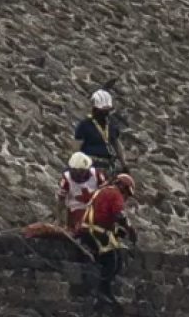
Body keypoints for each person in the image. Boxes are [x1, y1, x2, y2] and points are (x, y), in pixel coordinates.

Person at [77, 173, 136, 305]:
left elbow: (104, 215)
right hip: (94, 231)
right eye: (126, 193)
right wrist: (130, 229)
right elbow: (119, 215)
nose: (125, 197)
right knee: (113, 260)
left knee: (114, 258)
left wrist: (117, 231)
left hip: (88, 229)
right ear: (122, 187)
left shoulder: (103, 191)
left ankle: (105, 289)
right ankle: (101, 290)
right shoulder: (115, 194)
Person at [74, 89, 126, 170]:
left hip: (107, 166)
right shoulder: (85, 125)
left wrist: (124, 165)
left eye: (107, 111)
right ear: (94, 109)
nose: (105, 114)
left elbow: (117, 145)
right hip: (89, 166)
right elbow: (77, 146)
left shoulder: (111, 125)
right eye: (102, 111)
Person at [56, 152, 108, 231]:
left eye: (83, 171)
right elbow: (61, 201)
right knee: (80, 226)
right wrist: (59, 219)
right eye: (78, 171)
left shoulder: (97, 175)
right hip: (76, 209)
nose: (81, 174)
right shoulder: (66, 180)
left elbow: (106, 193)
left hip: (94, 208)